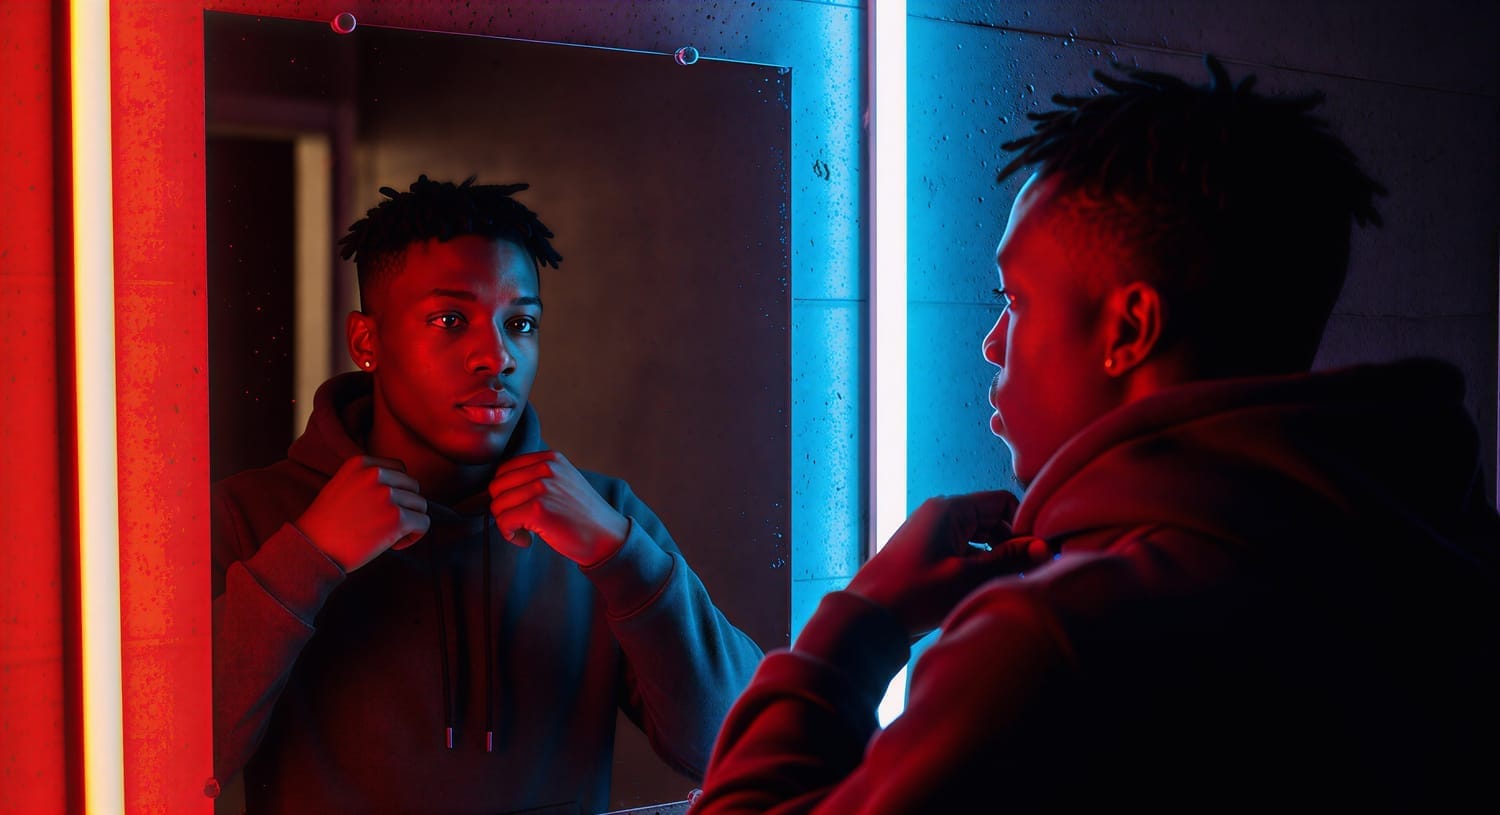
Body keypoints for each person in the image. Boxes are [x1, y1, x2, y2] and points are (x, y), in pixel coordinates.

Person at [690, 57, 1500, 813]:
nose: (992, 341)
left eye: (1017, 299)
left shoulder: (1057, 644)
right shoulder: (1448, 563)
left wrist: (862, 619)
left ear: (1130, 327)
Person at [212, 176, 764, 814]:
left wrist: (620, 556)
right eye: (452, 320)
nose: (496, 356)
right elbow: (165, 759)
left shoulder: (603, 518)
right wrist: (309, 559)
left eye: (520, 323)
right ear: (367, 341)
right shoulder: (251, 516)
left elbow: (741, 748)